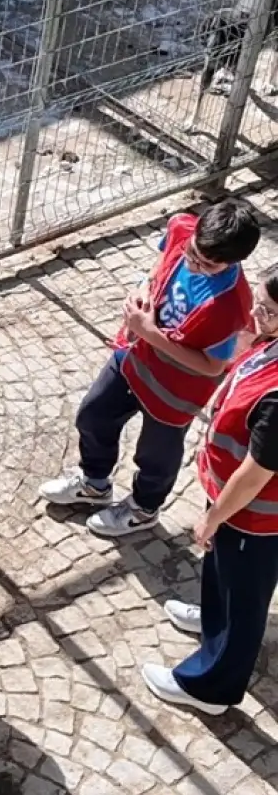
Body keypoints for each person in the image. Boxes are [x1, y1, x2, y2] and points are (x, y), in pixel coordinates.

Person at [39, 197, 260, 540]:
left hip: (174, 390)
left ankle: (144, 508)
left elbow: (211, 365)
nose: (194, 264)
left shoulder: (232, 305)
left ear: (233, 263)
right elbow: (159, 269)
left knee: (155, 455)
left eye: (206, 266)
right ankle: (94, 483)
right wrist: (144, 290)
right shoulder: (182, 228)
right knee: (93, 415)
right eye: (192, 253)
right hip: (134, 358)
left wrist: (150, 333)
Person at [143, 266, 278, 716]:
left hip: (254, 514)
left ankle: (212, 686)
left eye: (268, 310)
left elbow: (257, 473)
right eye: (258, 303)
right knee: (224, 572)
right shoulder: (269, 345)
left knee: (245, 600)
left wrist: (215, 515)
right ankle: (211, 620)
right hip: (236, 502)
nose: (255, 314)